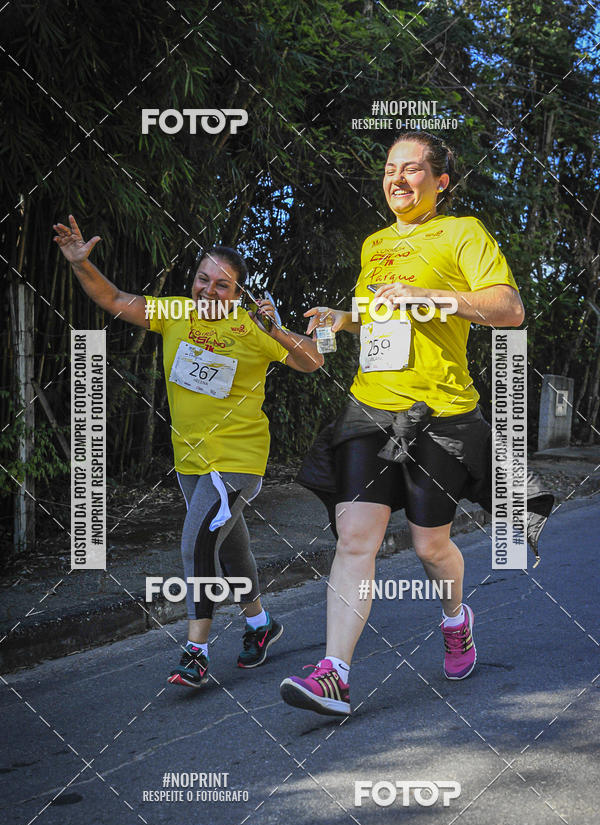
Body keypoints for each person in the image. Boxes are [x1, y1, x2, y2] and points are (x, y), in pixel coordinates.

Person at [280, 130, 525, 716]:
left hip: (439, 412)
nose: (398, 178)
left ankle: (455, 618)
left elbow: (508, 308)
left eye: (413, 169)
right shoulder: (374, 244)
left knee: (430, 543)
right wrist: (343, 320)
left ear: (440, 182)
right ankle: (335, 674)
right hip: (371, 406)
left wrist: (433, 295)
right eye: (391, 168)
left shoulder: (462, 233)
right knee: (354, 537)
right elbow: (380, 321)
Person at [53, 215, 323, 687]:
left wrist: (275, 328)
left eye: (222, 285)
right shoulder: (175, 312)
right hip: (190, 461)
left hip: (237, 460)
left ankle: (195, 651)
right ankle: (261, 626)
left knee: (196, 542)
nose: (208, 290)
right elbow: (113, 299)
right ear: (192, 279)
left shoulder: (251, 325)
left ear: (237, 294)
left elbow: (312, 360)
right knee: (233, 552)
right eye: (203, 279)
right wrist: (79, 265)